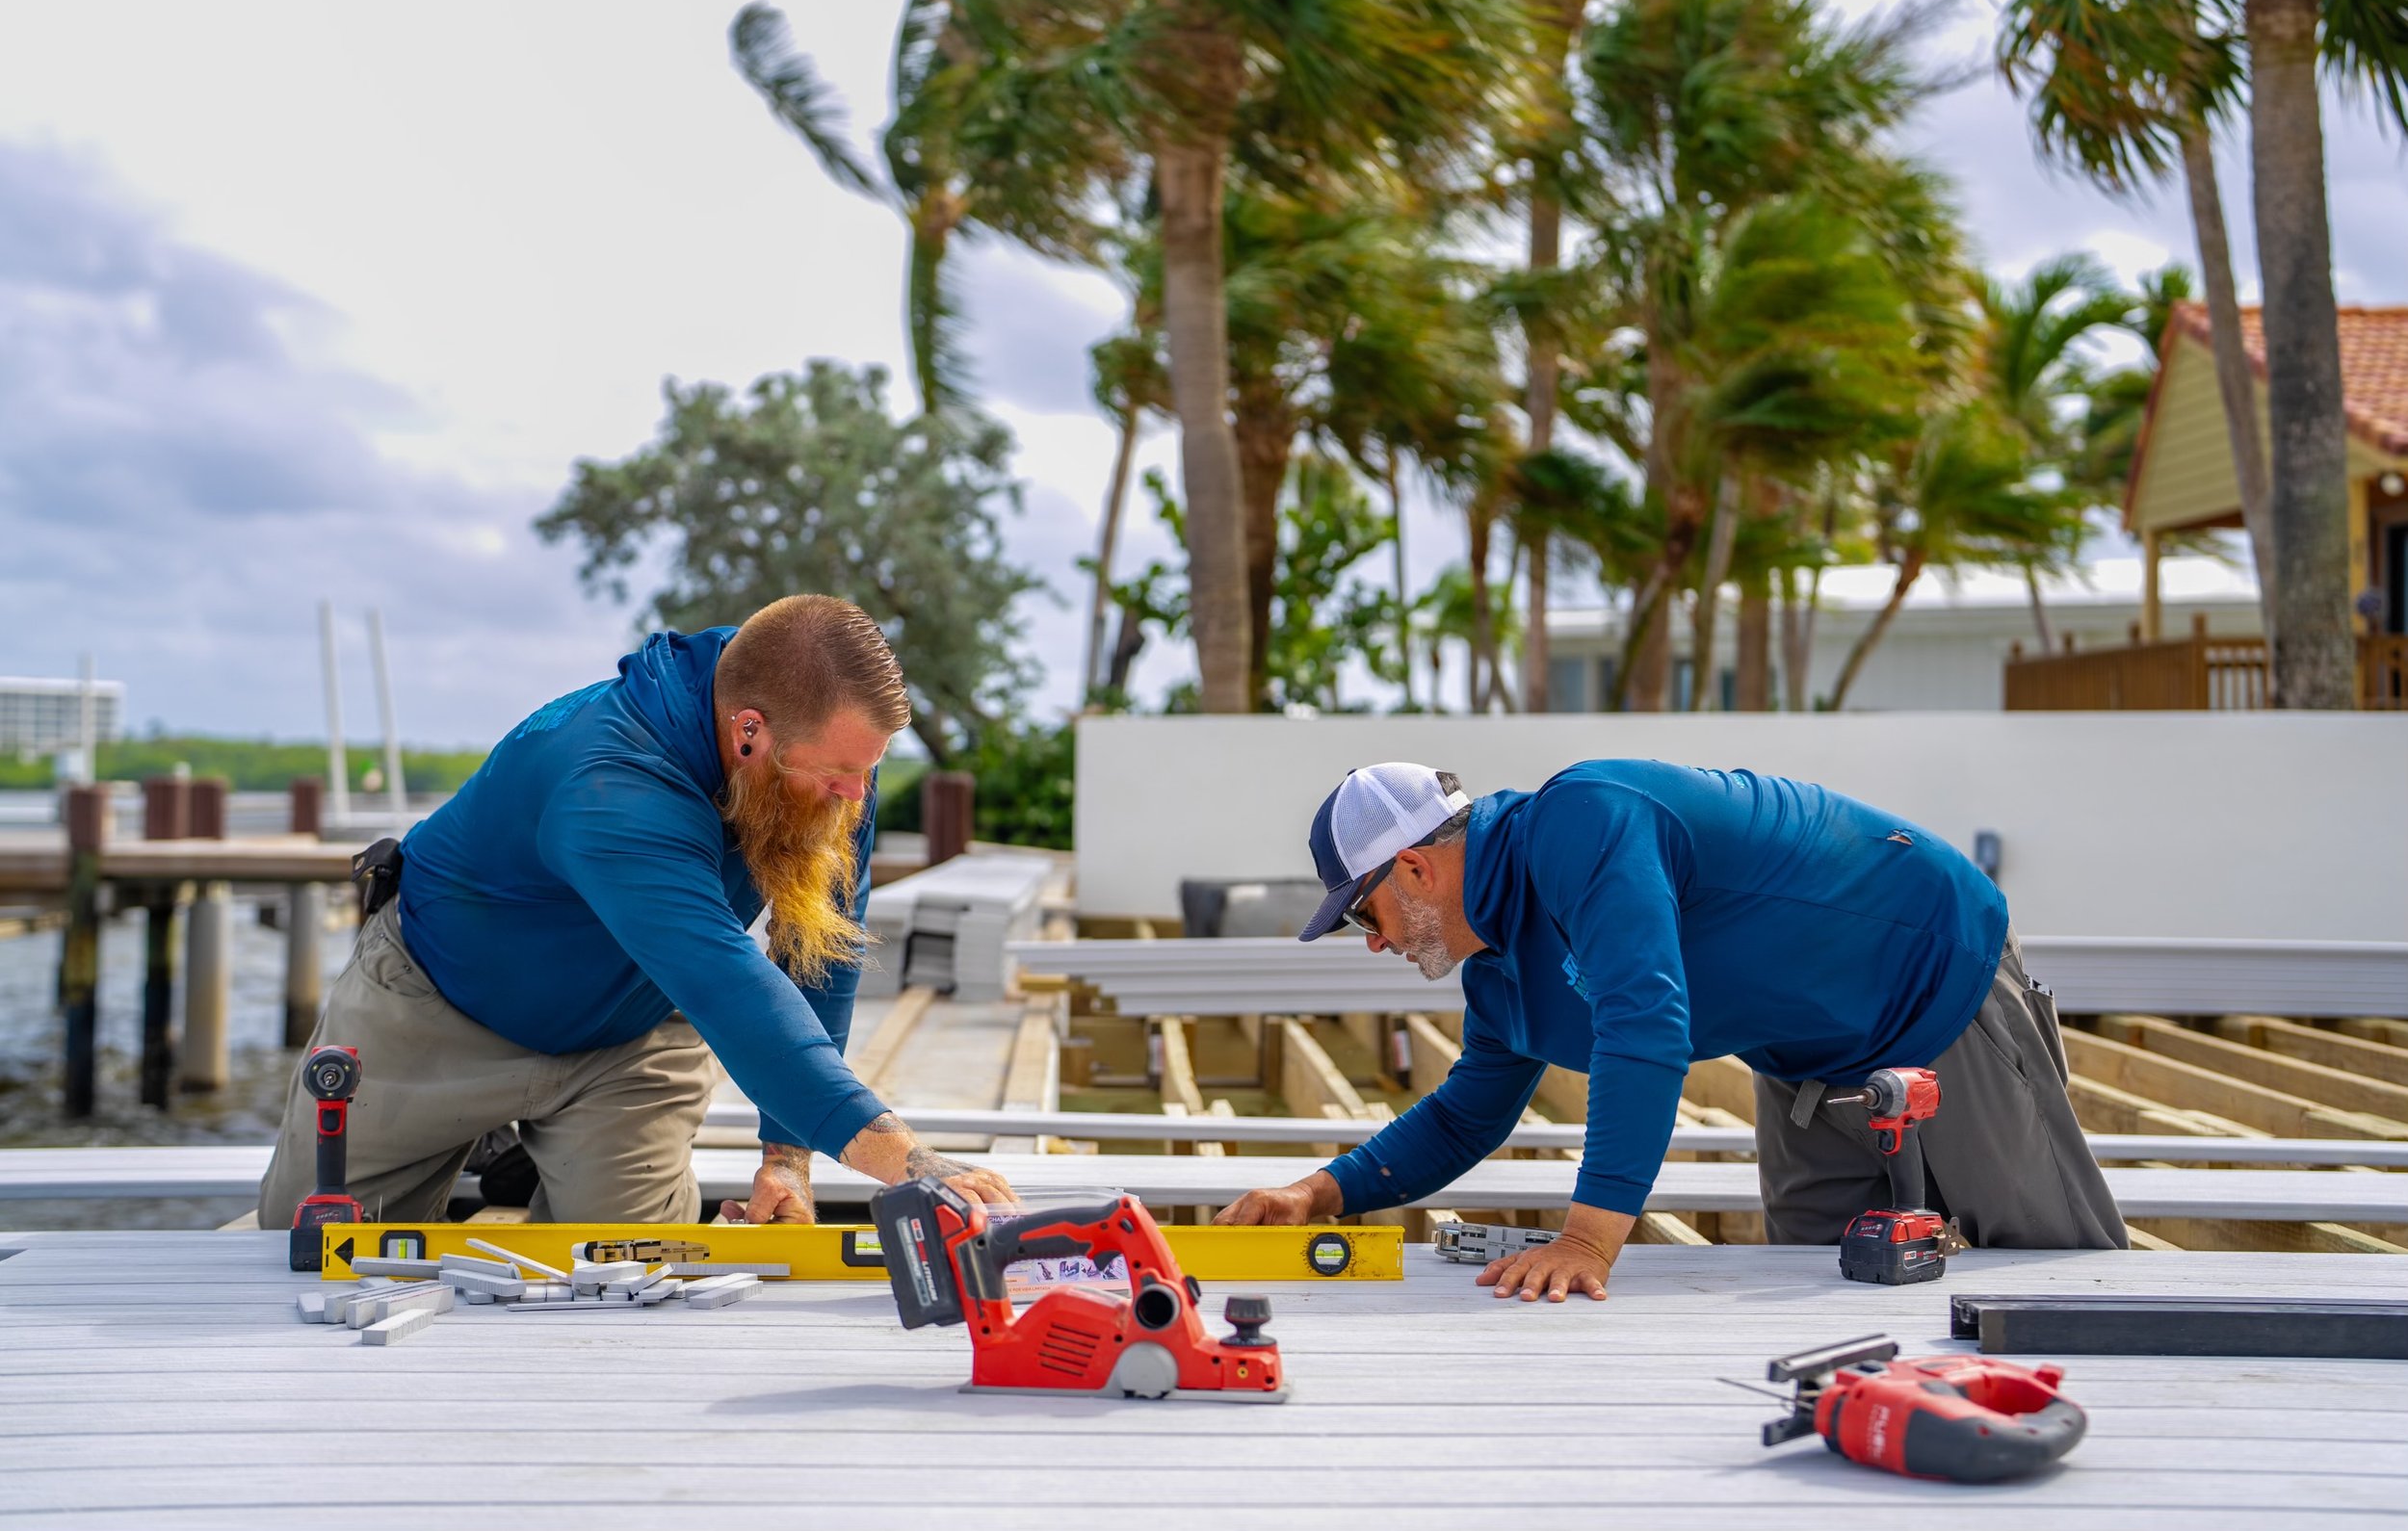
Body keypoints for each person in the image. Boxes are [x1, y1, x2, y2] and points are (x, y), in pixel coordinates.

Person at [1214, 761, 2124, 1301]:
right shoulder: (1498, 972)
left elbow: (1645, 1021)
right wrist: (1319, 1195)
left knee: (2054, 1281)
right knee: (1816, 1291)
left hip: (1933, 983)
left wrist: (1586, 1240)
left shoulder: (1582, 823)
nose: (1371, 942)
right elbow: (1465, 1118)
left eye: (1362, 914)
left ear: (1414, 866)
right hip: (1804, 1058)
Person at [259, 595, 1013, 1229]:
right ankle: (488, 1136)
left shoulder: (832, 753)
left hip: (630, 1031)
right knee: (298, 1249)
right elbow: (728, 983)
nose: (856, 794)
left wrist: (787, 1158)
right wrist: (906, 1161)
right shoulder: (609, 781)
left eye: (867, 770)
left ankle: (552, 1149)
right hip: (442, 1008)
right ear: (749, 729)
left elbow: (821, 949)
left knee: (634, 1284)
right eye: (840, 774)